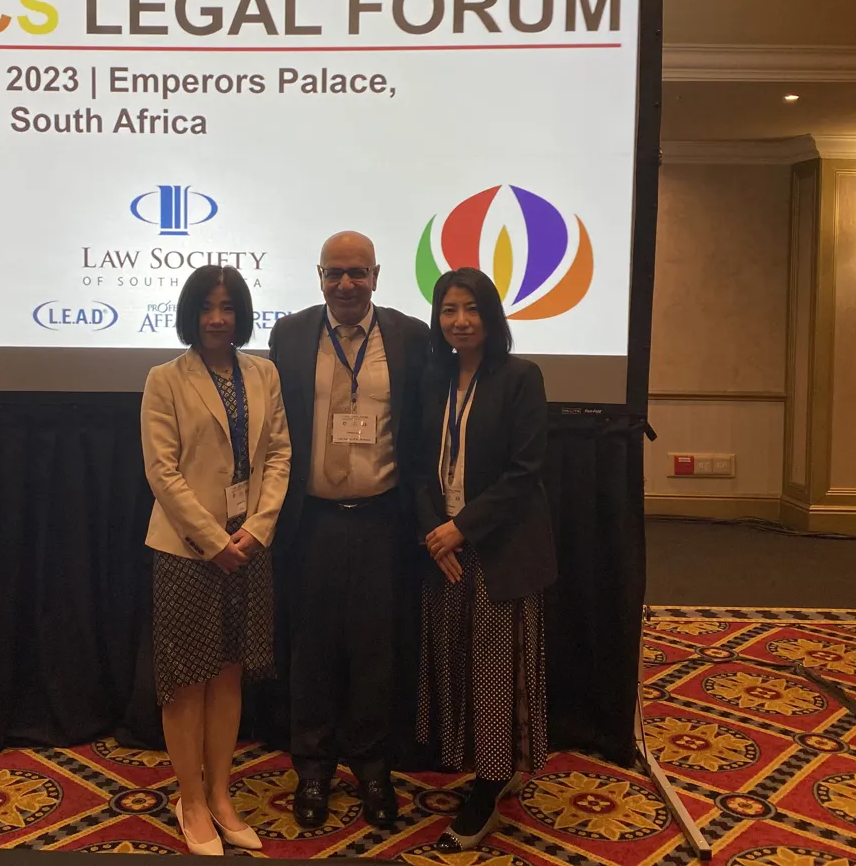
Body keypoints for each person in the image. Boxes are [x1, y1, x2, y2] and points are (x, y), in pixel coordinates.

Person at [268, 231, 429, 829]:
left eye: (357, 272)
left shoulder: (410, 337)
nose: (345, 284)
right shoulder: (289, 335)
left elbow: (421, 432)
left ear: (377, 276)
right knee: (310, 648)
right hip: (310, 520)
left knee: (375, 649)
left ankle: (373, 767)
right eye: (334, 272)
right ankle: (312, 766)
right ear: (318, 276)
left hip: (383, 520)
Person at [141, 265, 291, 856]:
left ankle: (222, 796)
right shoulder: (164, 379)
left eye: (228, 307)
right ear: (190, 313)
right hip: (187, 551)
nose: (217, 318)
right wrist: (213, 540)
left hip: (248, 548)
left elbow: (278, 456)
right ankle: (191, 801)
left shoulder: (264, 374)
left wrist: (256, 529)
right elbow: (162, 471)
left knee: (229, 674)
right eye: (206, 307)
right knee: (187, 681)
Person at [415, 266, 556, 850]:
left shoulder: (521, 378)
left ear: (492, 316)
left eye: (471, 308)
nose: (460, 320)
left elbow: (525, 472)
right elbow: (415, 465)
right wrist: (435, 532)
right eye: (449, 309)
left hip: (500, 549)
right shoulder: (433, 379)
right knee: (457, 666)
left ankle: (491, 785)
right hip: (444, 550)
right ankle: (480, 766)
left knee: (496, 673)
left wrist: (462, 529)